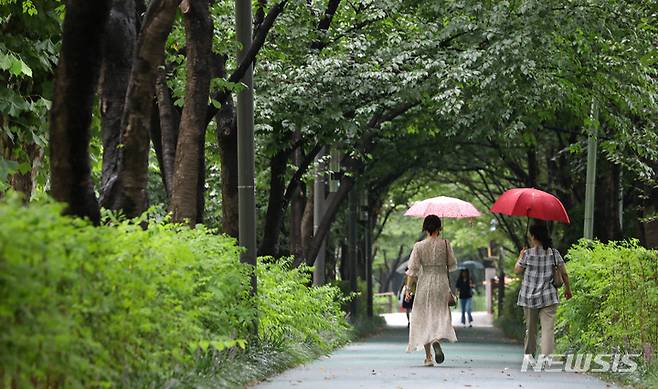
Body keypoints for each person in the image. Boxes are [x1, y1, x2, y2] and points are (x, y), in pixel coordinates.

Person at [514, 222, 573, 360]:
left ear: (534, 237)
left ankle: (529, 355)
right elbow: (564, 273)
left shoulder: (527, 254)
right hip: (549, 297)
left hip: (529, 297)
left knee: (531, 328)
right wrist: (567, 289)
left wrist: (520, 256)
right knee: (548, 329)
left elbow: (517, 270)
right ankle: (546, 356)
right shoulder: (554, 253)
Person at [404, 215, 458, 366]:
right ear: (439, 228)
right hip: (441, 283)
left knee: (424, 317)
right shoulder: (446, 244)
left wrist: (408, 289)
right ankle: (436, 339)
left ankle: (428, 357)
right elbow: (452, 265)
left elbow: (412, 270)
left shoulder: (419, 246)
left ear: (425, 228)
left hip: (425, 283)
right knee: (439, 315)